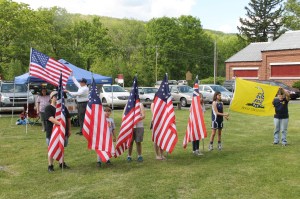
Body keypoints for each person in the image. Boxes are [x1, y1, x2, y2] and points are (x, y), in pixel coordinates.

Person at [45, 91, 71, 172]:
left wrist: (69, 129)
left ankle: (61, 163)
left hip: (63, 132)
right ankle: (50, 165)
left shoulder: (63, 107)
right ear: (51, 98)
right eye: (55, 96)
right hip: (52, 133)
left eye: (59, 96)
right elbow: (50, 118)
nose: (57, 98)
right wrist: (60, 123)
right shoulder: (48, 108)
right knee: (51, 148)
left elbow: (68, 118)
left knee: (61, 147)